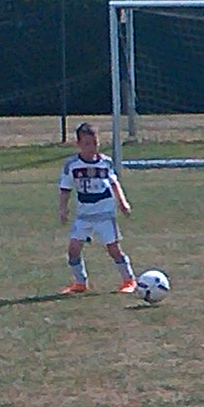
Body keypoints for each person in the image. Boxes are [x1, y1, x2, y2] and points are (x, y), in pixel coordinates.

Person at [56, 122, 139, 295]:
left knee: (113, 249)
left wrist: (122, 203)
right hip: (84, 215)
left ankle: (129, 280)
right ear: (78, 144)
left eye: (95, 143)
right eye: (87, 144)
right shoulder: (72, 165)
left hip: (105, 214)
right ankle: (80, 282)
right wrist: (63, 209)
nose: (91, 148)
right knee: (73, 250)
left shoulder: (105, 162)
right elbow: (65, 189)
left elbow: (114, 183)